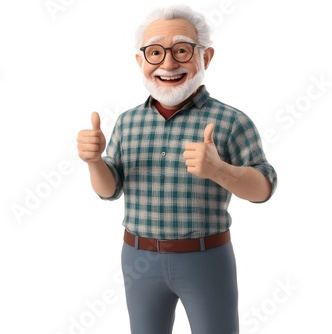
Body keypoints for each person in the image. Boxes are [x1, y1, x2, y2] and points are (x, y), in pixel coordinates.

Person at [76, 4, 278, 334]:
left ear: (206, 57)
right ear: (141, 61)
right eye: (155, 52)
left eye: (182, 50)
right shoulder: (127, 122)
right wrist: (94, 161)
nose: (168, 64)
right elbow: (109, 190)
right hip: (138, 259)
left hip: (207, 259)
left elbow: (264, 188)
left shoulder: (232, 121)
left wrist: (219, 170)